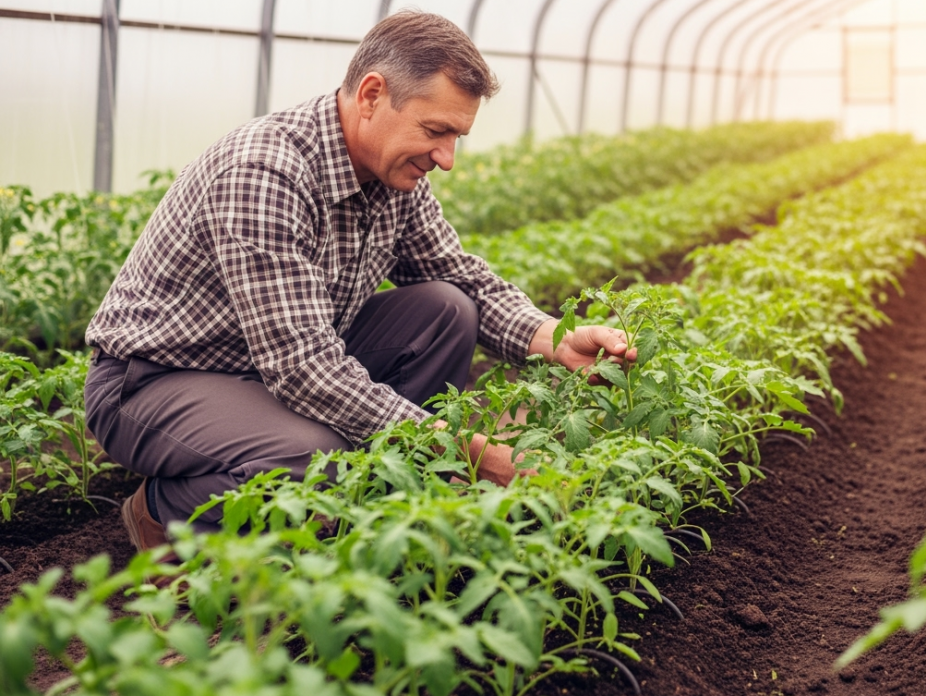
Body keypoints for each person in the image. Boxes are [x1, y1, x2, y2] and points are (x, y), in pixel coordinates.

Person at [83, 11, 633, 555]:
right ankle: (164, 514)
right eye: (435, 131)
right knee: (316, 454)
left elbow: (460, 277)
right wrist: (472, 452)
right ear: (372, 95)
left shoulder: (393, 174)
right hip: (158, 380)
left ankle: (374, 504)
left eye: (457, 136)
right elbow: (304, 369)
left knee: (447, 309)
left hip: (266, 367)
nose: (446, 158)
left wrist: (558, 340)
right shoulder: (264, 173)